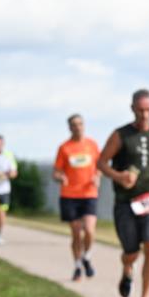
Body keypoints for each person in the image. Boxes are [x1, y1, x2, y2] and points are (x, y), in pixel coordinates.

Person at [97, 90, 149, 297]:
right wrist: (119, 176)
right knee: (132, 252)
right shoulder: (121, 135)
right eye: (141, 110)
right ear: (133, 108)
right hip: (126, 202)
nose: (145, 115)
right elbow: (101, 162)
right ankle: (127, 268)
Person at [53, 114, 101, 281]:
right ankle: (77, 266)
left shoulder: (92, 145)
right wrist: (60, 177)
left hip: (89, 194)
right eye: (74, 124)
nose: (77, 127)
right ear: (69, 127)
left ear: (84, 125)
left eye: (80, 123)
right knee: (75, 233)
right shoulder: (64, 148)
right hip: (69, 195)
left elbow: (100, 166)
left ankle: (86, 257)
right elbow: (56, 171)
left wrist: (98, 176)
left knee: (89, 230)